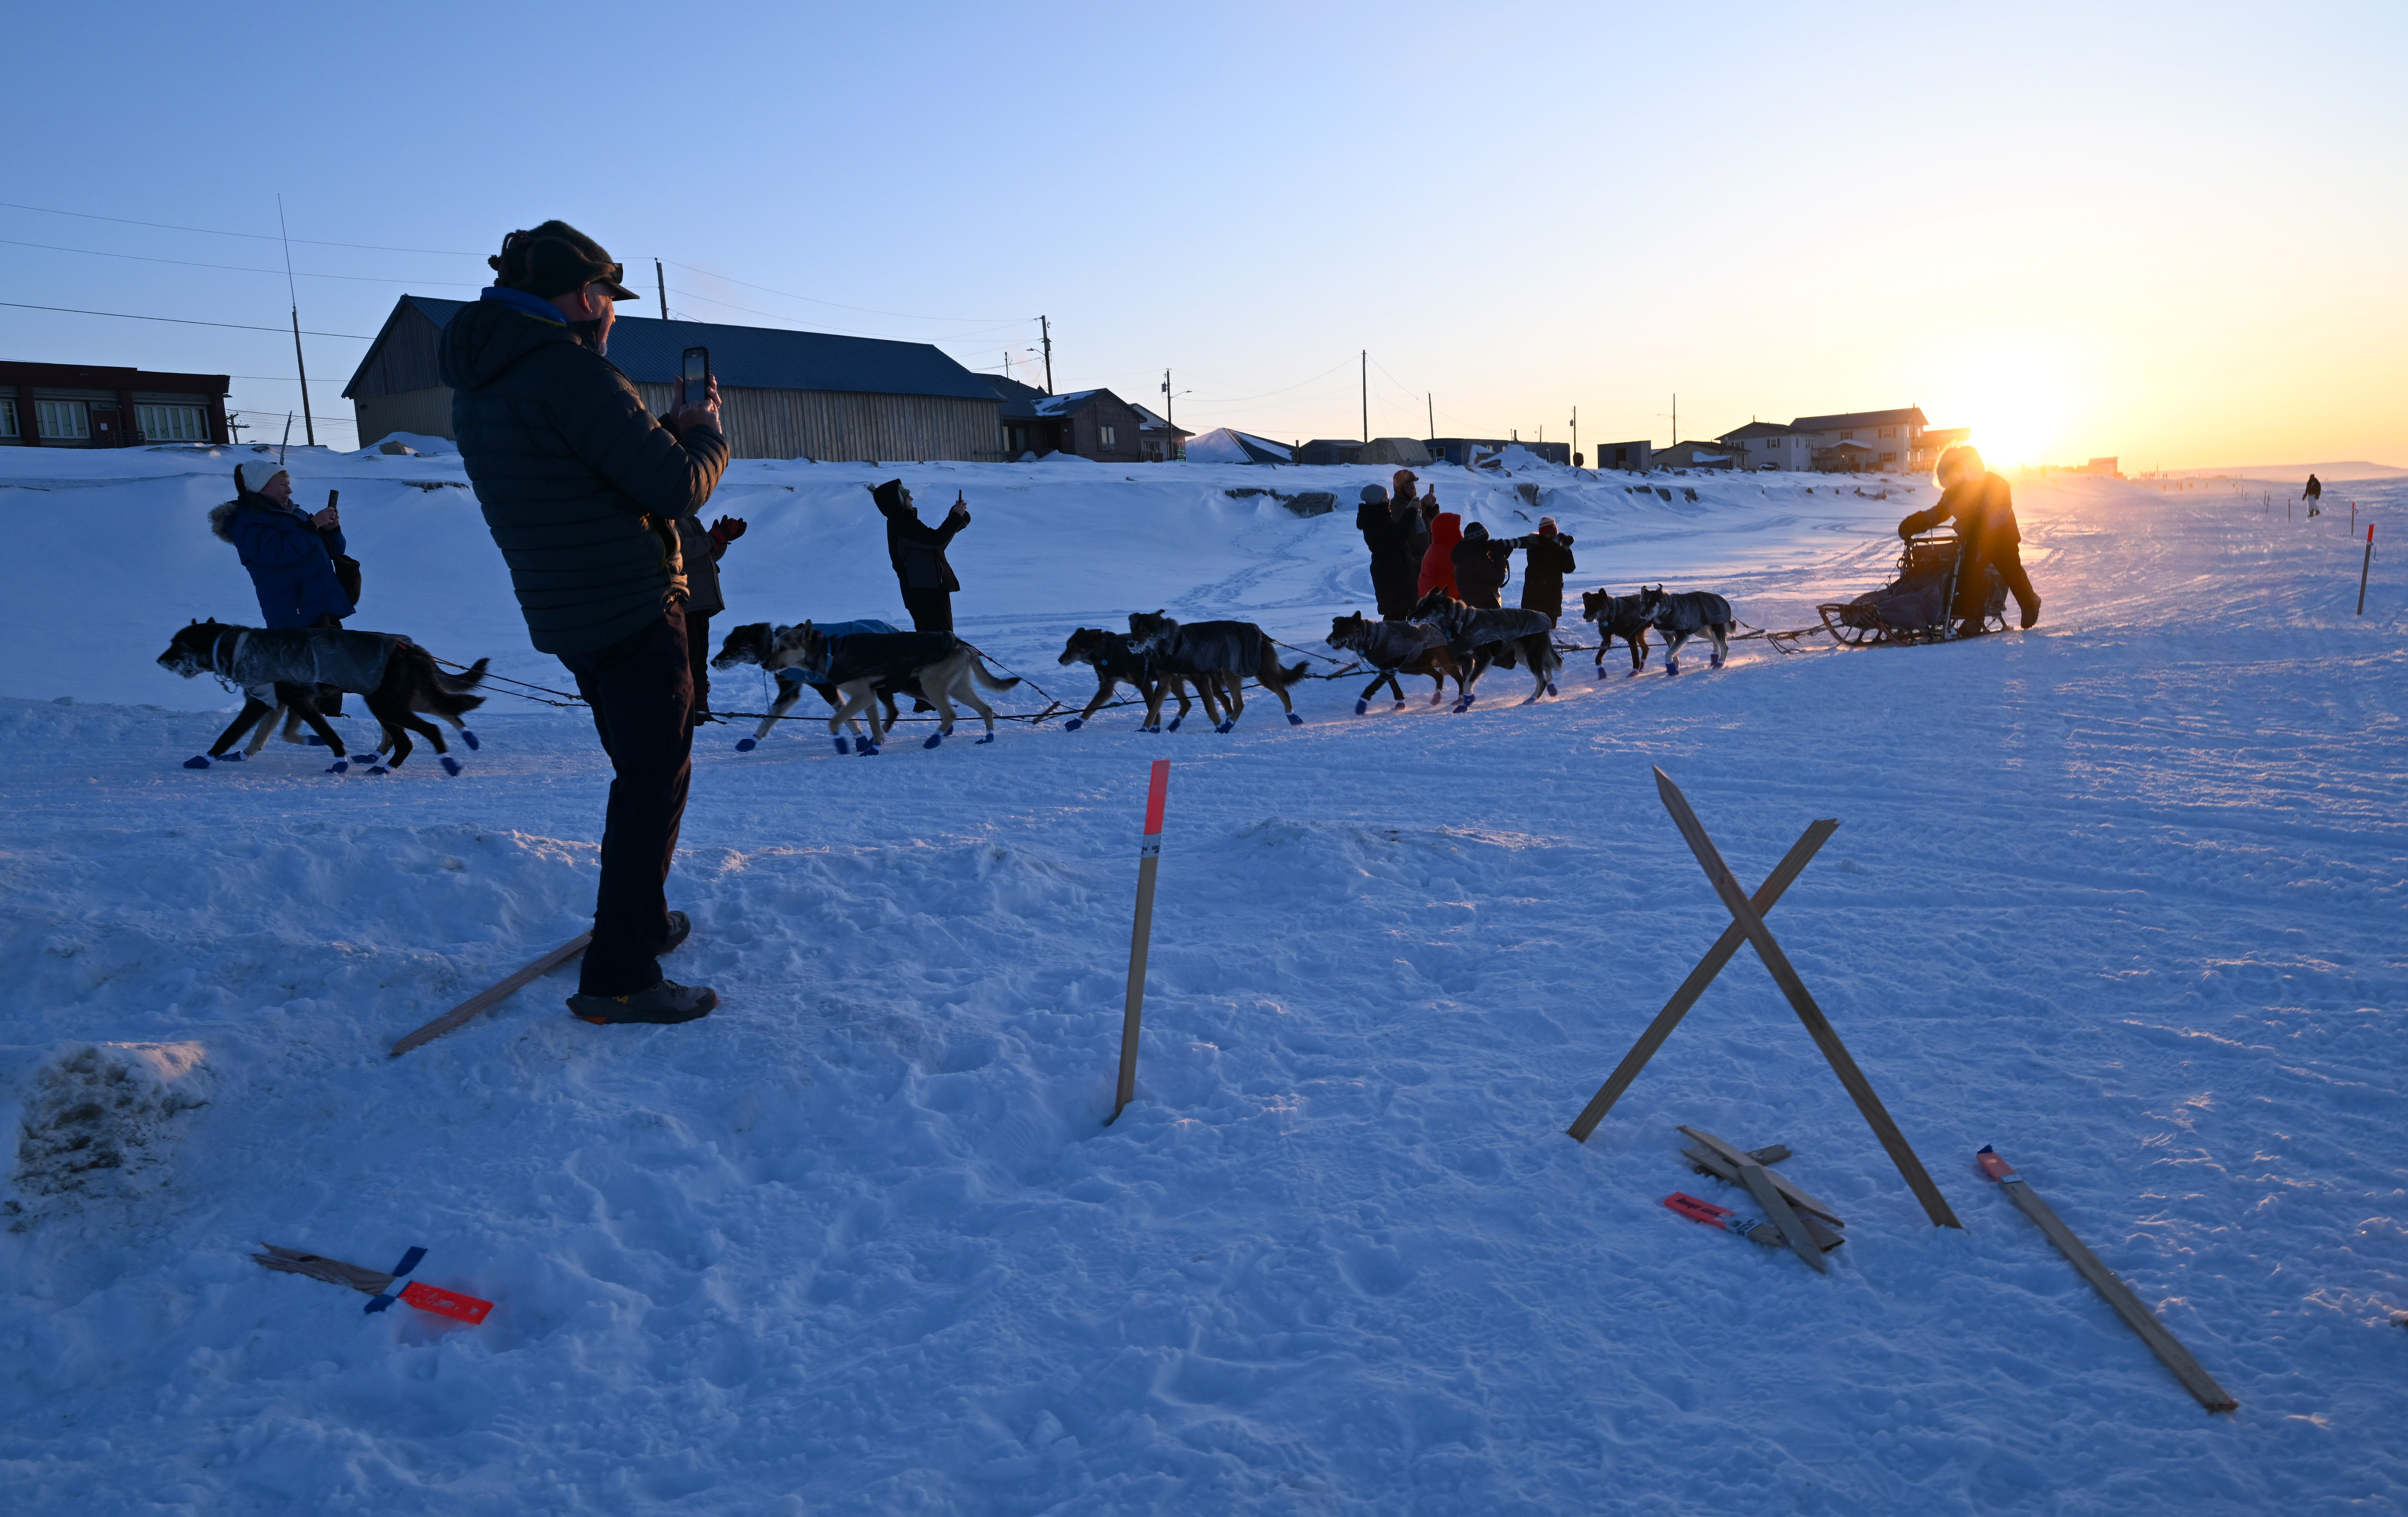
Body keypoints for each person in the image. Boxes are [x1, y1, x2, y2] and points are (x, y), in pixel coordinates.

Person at [440, 219, 729, 1027]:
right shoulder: (569, 374)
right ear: (584, 294)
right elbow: (674, 489)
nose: (611, 313)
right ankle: (621, 975)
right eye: (608, 296)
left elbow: (578, 470)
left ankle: (636, 923)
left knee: (643, 773)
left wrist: (649, 427)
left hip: (570, 609)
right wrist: (703, 433)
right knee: (651, 784)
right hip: (631, 605)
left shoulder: (488, 375)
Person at [1896, 444, 2041, 634]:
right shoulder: (1953, 495)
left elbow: (1999, 513)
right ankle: (1973, 618)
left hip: (2002, 538)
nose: (1950, 486)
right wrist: (1912, 524)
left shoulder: (1995, 483)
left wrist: (1977, 530)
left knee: (2010, 570)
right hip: (1974, 542)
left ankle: (2030, 603)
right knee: (1969, 574)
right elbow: (1937, 514)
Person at [674, 512, 747, 725]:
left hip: (700, 601)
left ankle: (699, 709)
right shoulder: (668, 518)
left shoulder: (689, 518)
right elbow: (681, 551)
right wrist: (713, 538)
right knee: (689, 657)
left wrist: (720, 542)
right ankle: (684, 709)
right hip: (683, 602)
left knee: (699, 659)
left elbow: (706, 556)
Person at [873, 480, 970, 631]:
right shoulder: (903, 525)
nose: (911, 498)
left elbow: (935, 541)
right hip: (927, 594)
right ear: (898, 501)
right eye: (906, 496)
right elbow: (937, 541)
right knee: (940, 645)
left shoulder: (904, 523)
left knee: (937, 644)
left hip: (927, 593)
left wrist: (958, 518)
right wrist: (956, 517)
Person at [1356, 485, 1420, 618]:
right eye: (1386, 498)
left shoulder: (1379, 517)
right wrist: (1412, 511)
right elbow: (1401, 533)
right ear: (1377, 501)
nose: (1389, 501)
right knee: (1395, 615)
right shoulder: (1376, 521)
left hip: (1393, 574)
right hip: (1391, 576)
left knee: (1399, 614)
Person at [1506, 517, 1579, 624]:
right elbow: (1538, 564)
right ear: (1543, 534)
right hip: (1535, 597)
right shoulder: (1534, 545)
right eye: (1550, 533)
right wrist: (1553, 546)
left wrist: (1566, 550)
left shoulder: (1557, 546)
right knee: (1533, 630)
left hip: (1553, 597)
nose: (1553, 536)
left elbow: (1569, 568)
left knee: (1550, 629)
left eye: (1555, 533)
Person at [1450, 521, 1517, 609]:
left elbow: (1486, 573)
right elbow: (1498, 578)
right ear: (1479, 542)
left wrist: (1502, 556)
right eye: (1486, 540)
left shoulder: (1466, 556)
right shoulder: (1475, 560)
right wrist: (1500, 556)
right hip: (1484, 610)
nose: (1487, 543)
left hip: (1475, 608)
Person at [1417, 509, 1464, 601]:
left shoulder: (1434, 548)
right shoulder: (1451, 553)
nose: (1460, 532)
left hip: (1429, 601)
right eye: (1457, 528)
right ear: (1450, 531)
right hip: (1447, 603)